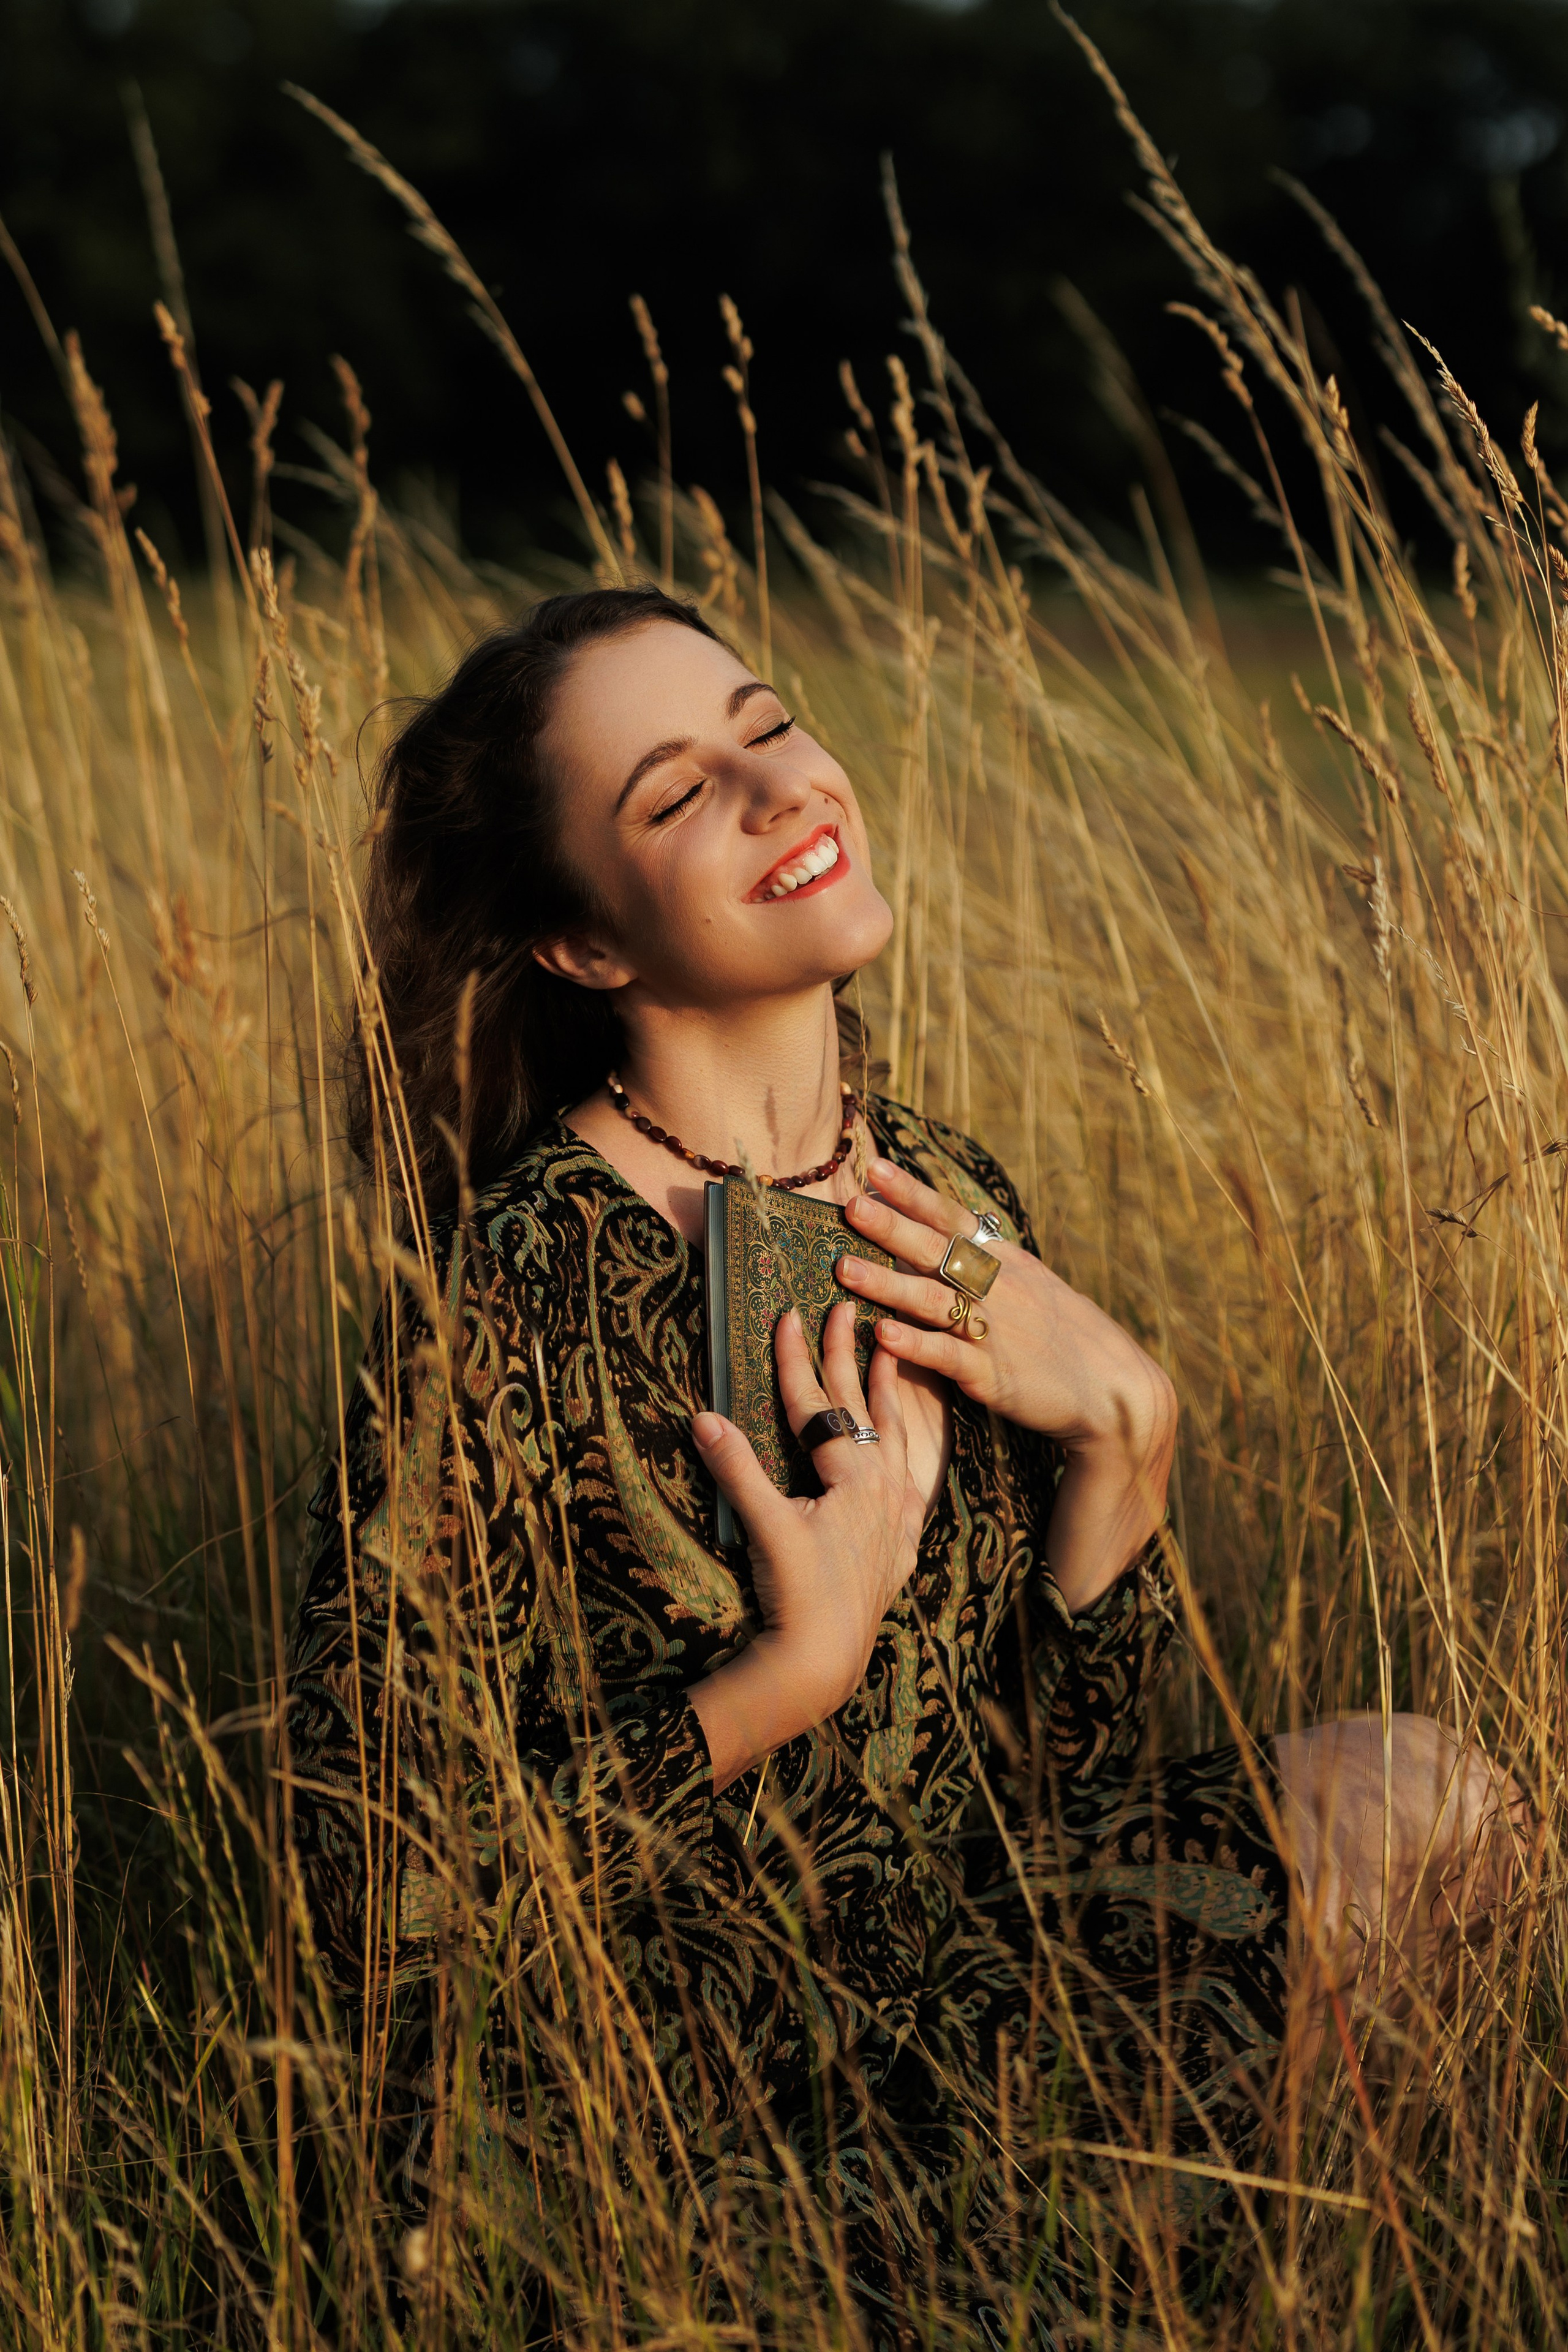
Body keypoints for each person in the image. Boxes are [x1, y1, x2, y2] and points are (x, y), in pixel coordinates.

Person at [285, 586, 1523, 2334]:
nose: (776, 787)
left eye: (768, 726)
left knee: (1442, 1805)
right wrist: (793, 1675)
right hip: (675, 2119)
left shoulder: (941, 1203)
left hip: (952, 2014)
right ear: (587, 948)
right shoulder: (519, 1292)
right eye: (674, 793)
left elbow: (1037, 1794)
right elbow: (382, 1888)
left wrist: (1126, 1451)